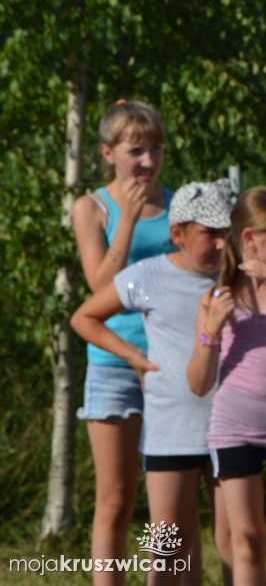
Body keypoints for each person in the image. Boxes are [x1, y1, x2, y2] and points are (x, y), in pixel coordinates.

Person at [72, 179, 234, 586]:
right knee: (168, 548)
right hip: (171, 429)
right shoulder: (147, 275)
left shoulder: (237, 277)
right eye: (209, 234)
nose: (219, 244)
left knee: (235, 543)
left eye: (225, 233)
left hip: (229, 428)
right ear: (177, 234)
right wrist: (134, 358)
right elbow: (84, 317)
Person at [187, 186, 266, 586]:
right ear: (250, 239)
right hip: (234, 430)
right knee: (249, 540)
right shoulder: (217, 297)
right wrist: (211, 330)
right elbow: (199, 384)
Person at [70, 99, 175, 586]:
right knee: (115, 498)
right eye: (137, 150)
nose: (149, 162)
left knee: (165, 504)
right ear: (108, 153)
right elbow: (99, 289)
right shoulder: (92, 208)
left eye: (156, 149)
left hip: (169, 366)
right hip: (112, 362)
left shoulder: (178, 206)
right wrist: (128, 220)